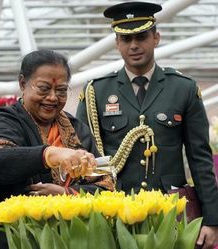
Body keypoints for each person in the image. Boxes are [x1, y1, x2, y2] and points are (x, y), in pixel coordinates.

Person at [76, 2, 218, 248]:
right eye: (125, 39)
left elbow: (200, 159)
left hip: (171, 213)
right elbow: (86, 160)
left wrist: (213, 220)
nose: (134, 45)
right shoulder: (96, 92)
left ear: (156, 38)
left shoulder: (183, 88)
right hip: (116, 213)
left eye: (141, 37)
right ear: (117, 43)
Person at [0, 49, 114, 249]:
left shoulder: (77, 130)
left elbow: (106, 187)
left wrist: (66, 194)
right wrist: (51, 154)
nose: (52, 97)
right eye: (43, 88)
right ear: (22, 84)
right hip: (11, 240)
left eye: (61, 90)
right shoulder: (5, 120)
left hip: (69, 240)